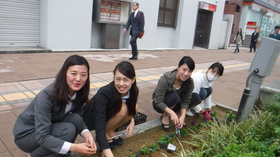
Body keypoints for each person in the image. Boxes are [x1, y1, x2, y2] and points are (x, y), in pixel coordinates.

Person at [13, 55, 97, 157]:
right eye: (73, 73)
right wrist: (75, 147)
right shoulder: (47, 96)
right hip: (27, 135)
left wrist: (87, 134)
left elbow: (77, 117)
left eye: (83, 74)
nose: (78, 79)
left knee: (75, 119)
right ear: (64, 73)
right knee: (67, 130)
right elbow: (42, 136)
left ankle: (61, 154)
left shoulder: (78, 92)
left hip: (47, 128)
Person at [83, 61, 139, 157]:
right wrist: (109, 154)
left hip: (109, 114)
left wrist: (131, 122)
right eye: (118, 79)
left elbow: (131, 110)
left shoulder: (134, 90)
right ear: (113, 78)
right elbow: (99, 123)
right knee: (123, 108)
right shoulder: (104, 93)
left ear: (133, 80)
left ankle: (109, 131)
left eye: (126, 80)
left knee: (134, 107)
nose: (121, 84)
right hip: (91, 118)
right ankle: (104, 134)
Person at [152, 56, 195, 131]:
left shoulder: (190, 82)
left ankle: (178, 113)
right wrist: (171, 113)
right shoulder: (166, 78)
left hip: (176, 103)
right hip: (160, 105)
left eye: (189, 71)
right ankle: (165, 115)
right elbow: (158, 101)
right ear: (178, 67)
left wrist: (183, 116)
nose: (186, 74)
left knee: (196, 97)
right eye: (184, 70)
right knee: (175, 96)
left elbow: (186, 100)